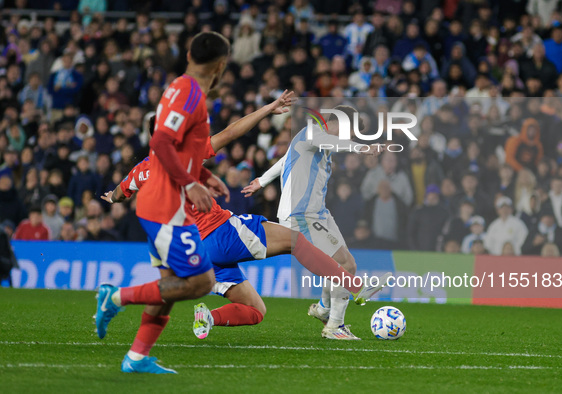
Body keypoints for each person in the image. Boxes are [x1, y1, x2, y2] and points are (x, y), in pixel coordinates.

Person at [105, 101, 386, 343]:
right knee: (295, 241)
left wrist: (112, 197)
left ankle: (208, 317)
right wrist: (266, 109)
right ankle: (354, 287)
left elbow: (118, 194)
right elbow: (230, 133)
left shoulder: (140, 171)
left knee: (255, 310)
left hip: (198, 253)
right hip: (220, 232)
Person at [95, 32, 233, 375]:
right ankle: (114, 297)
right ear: (220, 66)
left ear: (188, 54)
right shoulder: (191, 94)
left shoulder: (178, 86)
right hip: (167, 206)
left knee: (170, 285)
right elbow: (160, 140)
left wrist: (202, 174)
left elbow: (176, 147)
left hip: (163, 202)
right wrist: (190, 183)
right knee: (201, 281)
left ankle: (137, 358)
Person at [243, 105, 390, 340]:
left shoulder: (314, 142)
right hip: (300, 215)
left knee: (346, 263)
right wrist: (362, 148)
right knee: (343, 265)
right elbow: (338, 143)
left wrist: (261, 180)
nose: (351, 137)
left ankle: (324, 307)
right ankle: (334, 326)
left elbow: (284, 160)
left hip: (318, 214)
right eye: (351, 132)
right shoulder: (311, 133)